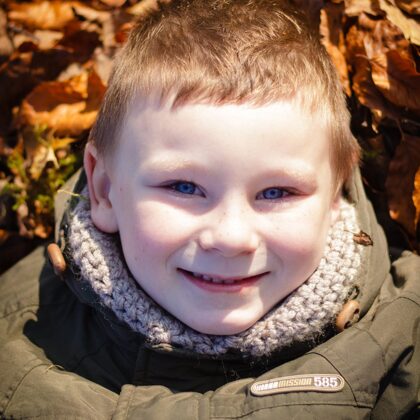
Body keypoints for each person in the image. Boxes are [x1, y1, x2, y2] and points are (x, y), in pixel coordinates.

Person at [0, 0, 418, 418]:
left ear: (334, 195)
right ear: (105, 190)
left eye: (277, 192)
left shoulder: (405, 339)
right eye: (184, 187)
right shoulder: (15, 338)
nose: (231, 238)